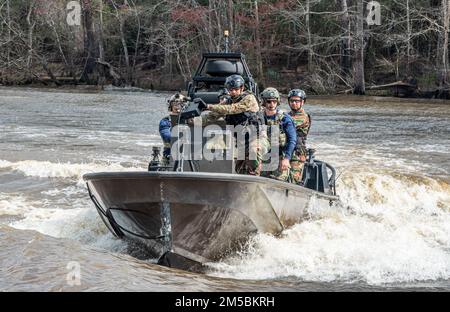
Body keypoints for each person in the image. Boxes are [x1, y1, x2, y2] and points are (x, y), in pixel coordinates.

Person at [203, 74, 265, 176]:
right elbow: (211, 116)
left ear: (242, 88)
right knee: (239, 169)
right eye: (231, 90)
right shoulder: (228, 101)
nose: (233, 92)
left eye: (236, 89)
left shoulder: (249, 98)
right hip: (242, 141)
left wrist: (209, 106)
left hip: (257, 138)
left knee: (253, 155)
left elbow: (233, 108)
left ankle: (254, 181)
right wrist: (191, 119)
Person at [260, 87, 297, 181]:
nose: (271, 104)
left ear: (277, 102)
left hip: (281, 156)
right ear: (264, 102)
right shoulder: (258, 117)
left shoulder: (285, 119)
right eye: (268, 101)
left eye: (274, 101)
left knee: (279, 182)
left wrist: (287, 159)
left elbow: (292, 140)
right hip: (264, 157)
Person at [287, 89, 311, 184]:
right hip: (286, 149)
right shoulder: (287, 115)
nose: (294, 103)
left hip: (297, 152)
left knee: (294, 179)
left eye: (297, 101)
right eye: (292, 101)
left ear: (302, 102)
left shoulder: (303, 117)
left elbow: (290, 125)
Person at [159, 93, 187, 164]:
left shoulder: (190, 120)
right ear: (170, 106)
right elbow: (167, 137)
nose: (178, 106)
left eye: (181, 104)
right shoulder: (165, 121)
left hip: (188, 156)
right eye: (175, 104)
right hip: (169, 157)